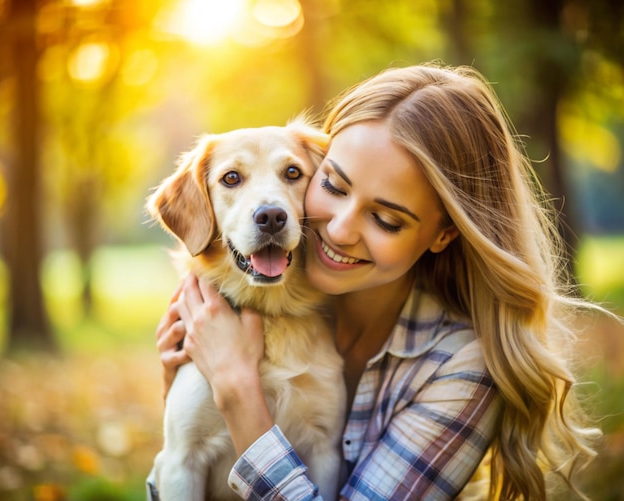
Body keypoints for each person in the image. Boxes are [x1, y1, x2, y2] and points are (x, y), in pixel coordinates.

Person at [153, 63, 603, 500]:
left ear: (444, 233)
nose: (340, 231)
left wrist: (236, 387)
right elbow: (175, 466)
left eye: (386, 219)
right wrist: (178, 381)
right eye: (333, 184)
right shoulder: (211, 318)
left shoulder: (461, 368)